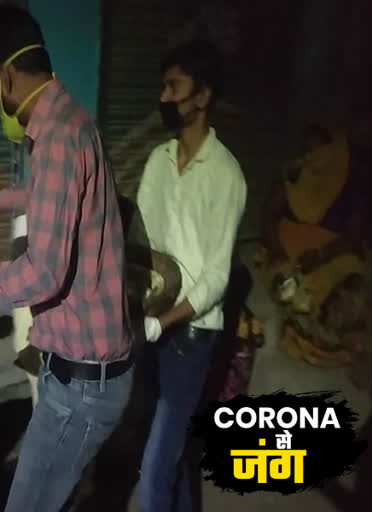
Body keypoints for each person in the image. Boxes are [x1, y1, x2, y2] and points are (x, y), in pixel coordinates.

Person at [0, 5, 134, 511]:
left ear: (4, 77)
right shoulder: (71, 121)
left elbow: (42, 273)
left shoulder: (59, 140)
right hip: (83, 370)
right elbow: (52, 196)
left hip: (82, 383)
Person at [135, 40, 247, 512]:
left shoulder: (226, 176)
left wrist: (165, 321)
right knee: (175, 456)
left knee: (155, 470)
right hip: (153, 322)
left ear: (202, 97)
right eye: (163, 85)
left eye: (174, 87)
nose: (163, 97)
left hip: (192, 336)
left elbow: (217, 277)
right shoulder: (158, 160)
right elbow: (140, 239)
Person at [259, 121, 372, 368]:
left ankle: (327, 338)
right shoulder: (295, 172)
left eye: (318, 148)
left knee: (348, 299)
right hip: (291, 248)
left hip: (333, 252)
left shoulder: (351, 183)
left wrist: (321, 256)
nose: (312, 155)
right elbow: (269, 213)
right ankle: (306, 330)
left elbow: (354, 235)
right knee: (289, 288)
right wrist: (277, 249)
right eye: (307, 148)